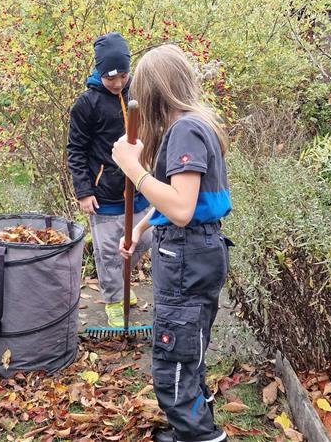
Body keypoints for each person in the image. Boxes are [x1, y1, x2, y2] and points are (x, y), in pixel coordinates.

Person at [112, 44, 232, 442]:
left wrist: (133, 169)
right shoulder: (196, 125)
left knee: (174, 355)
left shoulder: (185, 130)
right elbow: (181, 200)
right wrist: (140, 229)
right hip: (194, 253)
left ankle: (199, 436)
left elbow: (181, 208)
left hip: (186, 257)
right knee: (189, 345)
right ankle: (194, 426)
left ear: (154, 93)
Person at [67, 32, 152, 328]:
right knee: (107, 253)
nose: (117, 83)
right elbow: (75, 150)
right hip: (103, 194)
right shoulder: (86, 104)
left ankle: (122, 282)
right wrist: (83, 191)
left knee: (146, 237)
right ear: (99, 72)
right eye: (110, 77)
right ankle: (114, 300)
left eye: (123, 75)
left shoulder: (137, 95)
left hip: (138, 187)